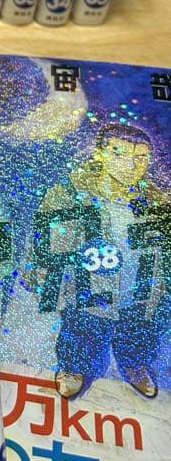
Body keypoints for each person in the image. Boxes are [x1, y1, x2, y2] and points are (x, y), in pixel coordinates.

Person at [34, 123, 170, 399]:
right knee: (82, 329)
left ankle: (134, 364)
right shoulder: (70, 191)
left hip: (139, 284)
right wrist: (50, 283)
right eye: (119, 154)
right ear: (101, 153)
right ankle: (74, 367)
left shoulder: (158, 201)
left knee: (139, 328)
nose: (131, 165)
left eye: (140, 157)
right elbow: (47, 243)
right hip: (89, 285)